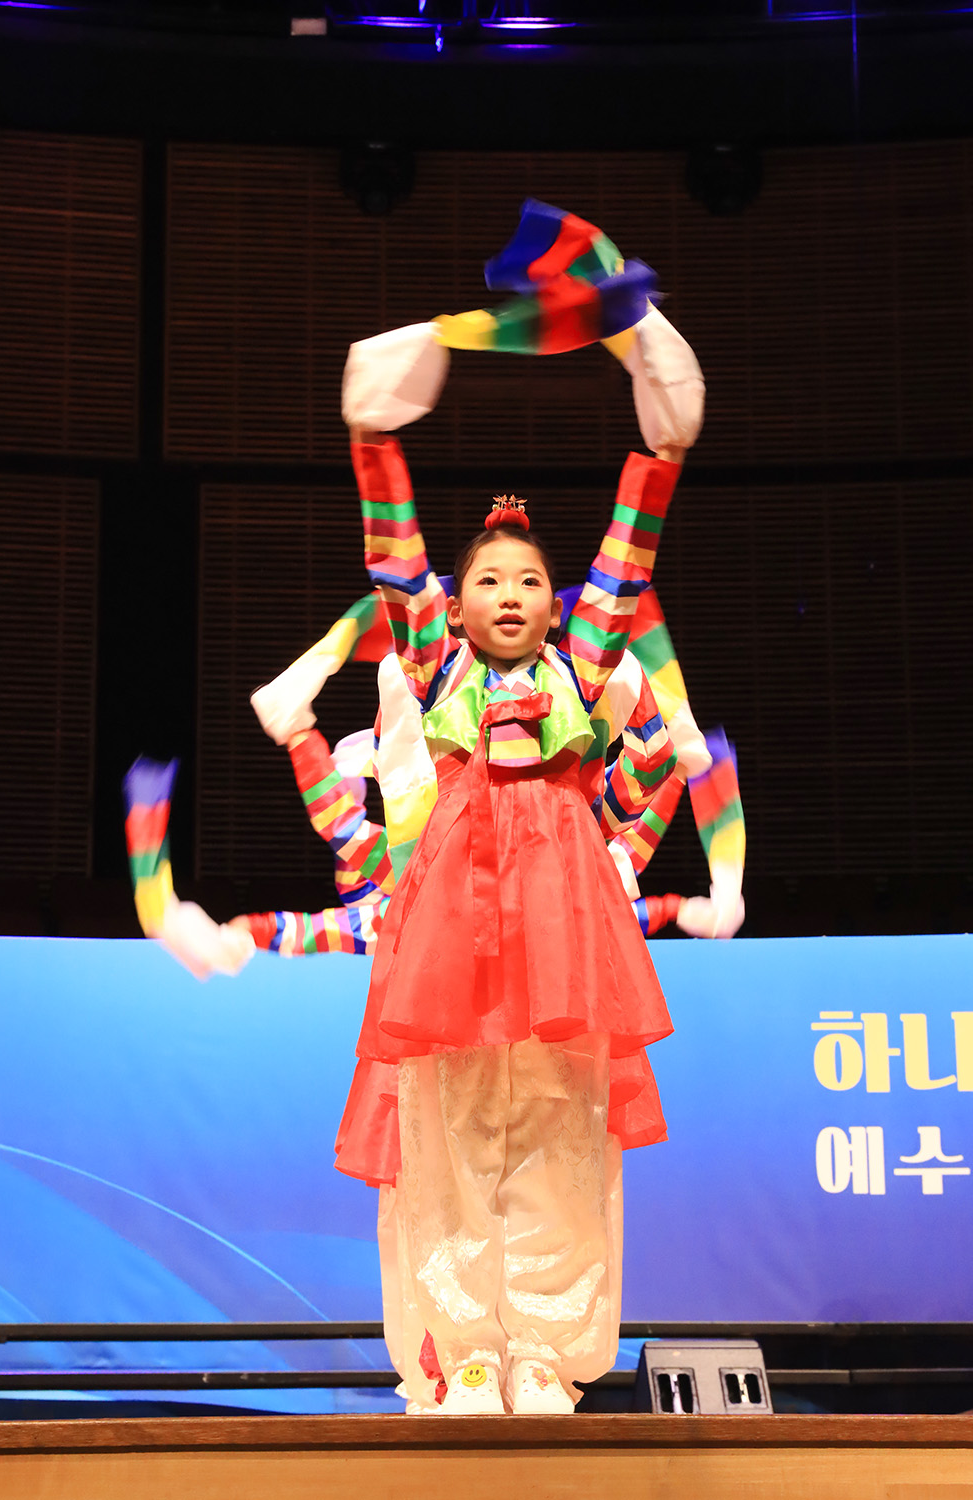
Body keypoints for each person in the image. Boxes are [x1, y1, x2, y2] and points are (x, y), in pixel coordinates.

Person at [330, 335, 691, 1412]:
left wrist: (658, 456)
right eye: (487, 580)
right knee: (447, 1129)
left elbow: (626, 564)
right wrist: (373, 442)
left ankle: (542, 1348)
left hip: (563, 926)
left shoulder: (581, 671)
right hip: (454, 924)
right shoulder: (436, 666)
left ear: (553, 603)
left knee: (559, 1129)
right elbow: (397, 563)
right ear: (457, 604)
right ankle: (464, 1348)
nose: (508, 595)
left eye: (529, 581)